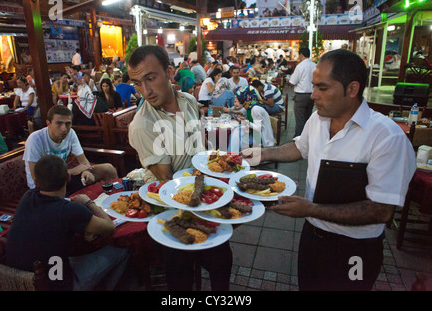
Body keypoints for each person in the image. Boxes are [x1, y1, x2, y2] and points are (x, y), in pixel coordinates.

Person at [241, 49, 417, 291]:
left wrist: (311, 209)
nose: (313, 95)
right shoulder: (319, 119)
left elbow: (381, 211)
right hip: (313, 236)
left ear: (352, 89)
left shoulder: (387, 137)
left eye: (322, 88)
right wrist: (261, 154)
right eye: (313, 86)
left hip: (356, 248)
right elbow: (299, 148)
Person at [127, 44, 232, 291]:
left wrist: (221, 168)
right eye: (137, 84)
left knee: (222, 263)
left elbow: (202, 148)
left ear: (170, 73)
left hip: (204, 196)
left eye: (150, 78)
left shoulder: (188, 100)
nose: (145, 90)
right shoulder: (143, 124)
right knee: (180, 279)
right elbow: (168, 181)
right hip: (173, 210)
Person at [6, 154, 130, 291]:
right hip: (57, 284)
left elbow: (51, 223)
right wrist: (88, 203)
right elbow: (110, 228)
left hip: (17, 279)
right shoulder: (70, 211)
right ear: (68, 177)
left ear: (36, 183)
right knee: (122, 250)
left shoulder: (27, 197)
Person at [23, 105, 118, 196]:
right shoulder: (35, 140)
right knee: (77, 202)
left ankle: (117, 201)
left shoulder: (71, 133)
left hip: (64, 178)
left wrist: (86, 171)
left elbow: (83, 161)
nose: (64, 129)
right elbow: (37, 178)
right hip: (45, 187)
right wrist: (71, 172)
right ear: (49, 123)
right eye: (59, 123)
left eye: (68, 124)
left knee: (108, 169)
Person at [289, 47, 316, 137]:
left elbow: (293, 81)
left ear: (301, 54)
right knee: (308, 117)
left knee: (300, 118)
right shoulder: (315, 65)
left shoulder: (300, 66)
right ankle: (307, 136)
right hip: (312, 95)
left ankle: (299, 137)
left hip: (301, 96)